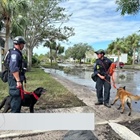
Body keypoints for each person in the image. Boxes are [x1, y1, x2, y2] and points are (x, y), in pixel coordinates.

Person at [8, 36, 26, 113]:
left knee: (18, 100)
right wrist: (18, 81)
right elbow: (13, 68)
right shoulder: (15, 54)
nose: (23, 46)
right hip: (15, 80)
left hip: (16, 79)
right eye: (23, 44)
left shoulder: (16, 53)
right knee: (16, 99)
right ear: (19, 44)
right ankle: (14, 121)